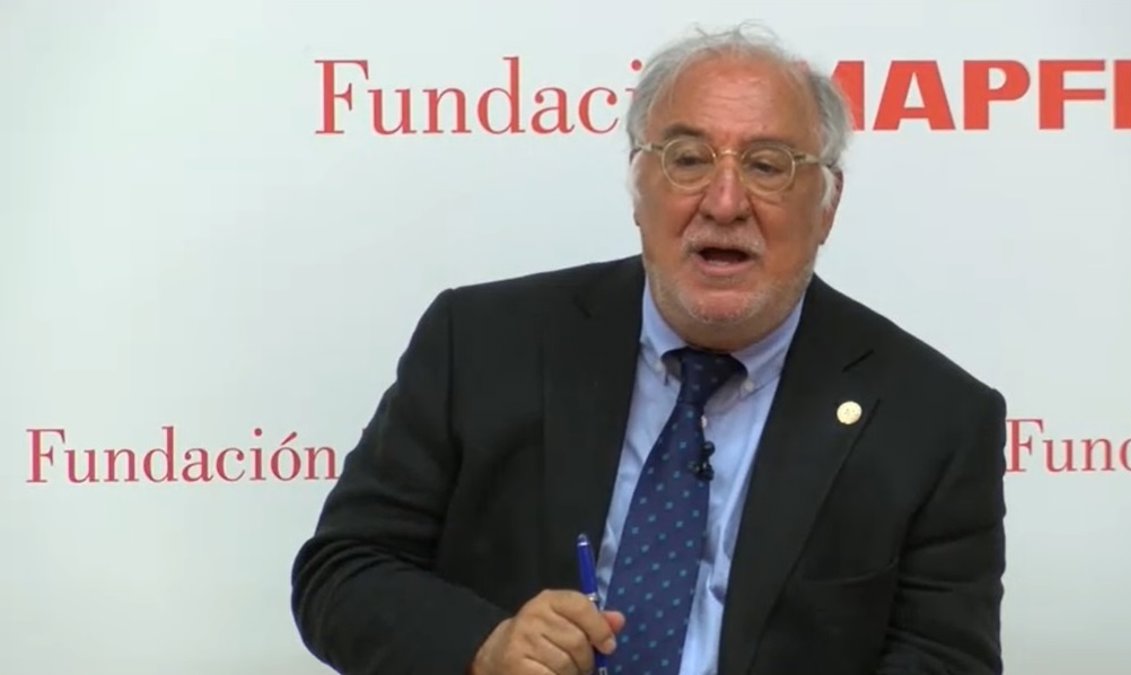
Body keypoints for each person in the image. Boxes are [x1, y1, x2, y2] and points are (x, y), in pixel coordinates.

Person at [290, 23, 1008, 675]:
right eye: (688, 159)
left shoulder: (933, 419)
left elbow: (948, 659)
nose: (724, 202)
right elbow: (343, 569)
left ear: (828, 204)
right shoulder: (479, 342)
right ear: (638, 185)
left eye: (768, 166)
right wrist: (486, 645)